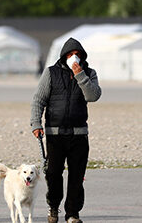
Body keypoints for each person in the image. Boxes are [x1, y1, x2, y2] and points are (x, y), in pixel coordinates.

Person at [31, 38, 101, 223]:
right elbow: (38, 99)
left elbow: (93, 96)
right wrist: (36, 124)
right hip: (55, 135)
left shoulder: (89, 73)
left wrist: (80, 75)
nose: (74, 58)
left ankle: (72, 214)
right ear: (64, 57)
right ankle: (53, 208)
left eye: (77, 55)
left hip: (79, 135)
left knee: (76, 177)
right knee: (53, 174)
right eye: (70, 55)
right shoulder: (51, 73)